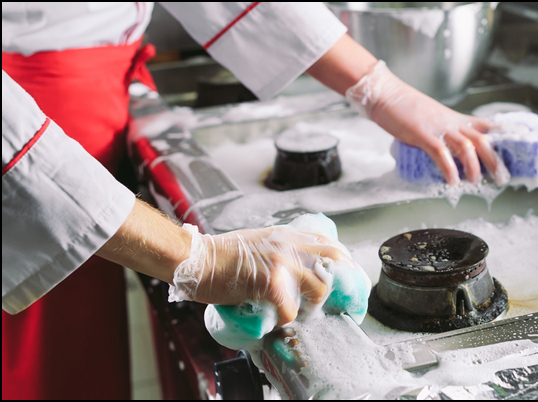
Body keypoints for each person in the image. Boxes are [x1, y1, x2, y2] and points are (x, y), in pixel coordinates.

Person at [2, 2, 505, 399]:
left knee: (77, 345)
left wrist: (382, 90)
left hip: (92, 96)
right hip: (28, 128)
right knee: (38, 355)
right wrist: (197, 257)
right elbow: (18, 162)